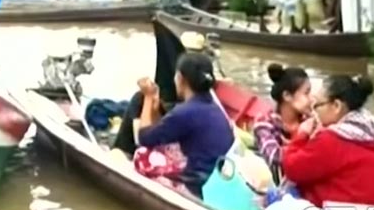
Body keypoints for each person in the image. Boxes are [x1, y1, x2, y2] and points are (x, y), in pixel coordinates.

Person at [282, 74, 374, 208]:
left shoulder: (333, 139)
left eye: (317, 105)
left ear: (336, 106)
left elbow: (292, 168)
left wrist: (302, 134)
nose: (314, 112)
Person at [133, 53, 234, 198]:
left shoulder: (184, 112)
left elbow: (143, 138)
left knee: (141, 155)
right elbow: (162, 133)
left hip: (198, 185)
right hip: (217, 178)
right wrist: (155, 109)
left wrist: (148, 97)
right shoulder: (215, 108)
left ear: (181, 78)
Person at [252, 63, 312, 182]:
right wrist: (302, 135)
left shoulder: (308, 121)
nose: (312, 99)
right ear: (287, 96)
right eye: (306, 93)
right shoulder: (264, 125)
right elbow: (275, 158)